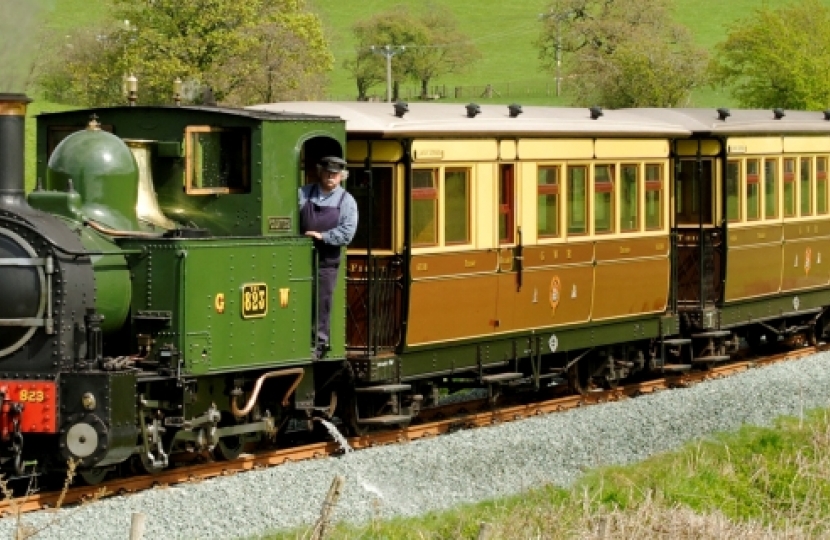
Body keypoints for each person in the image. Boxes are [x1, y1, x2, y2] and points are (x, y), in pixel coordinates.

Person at [298, 156, 359, 358]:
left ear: (342, 176)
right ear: (320, 172)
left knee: (322, 300)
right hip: (302, 257)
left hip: (327, 259)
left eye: (334, 174)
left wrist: (323, 236)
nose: (330, 177)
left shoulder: (347, 201)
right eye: (327, 173)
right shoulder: (303, 194)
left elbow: (347, 232)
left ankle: (319, 343)